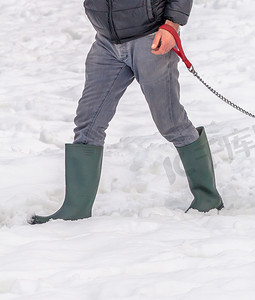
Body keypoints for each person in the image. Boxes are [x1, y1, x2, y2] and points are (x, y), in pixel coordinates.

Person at [29, 0, 223, 224]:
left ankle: (207, 198)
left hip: (151, 38)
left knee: (171, 123)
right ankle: (75, 209)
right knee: (88, 123)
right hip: (106, 42)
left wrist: (173, 24)